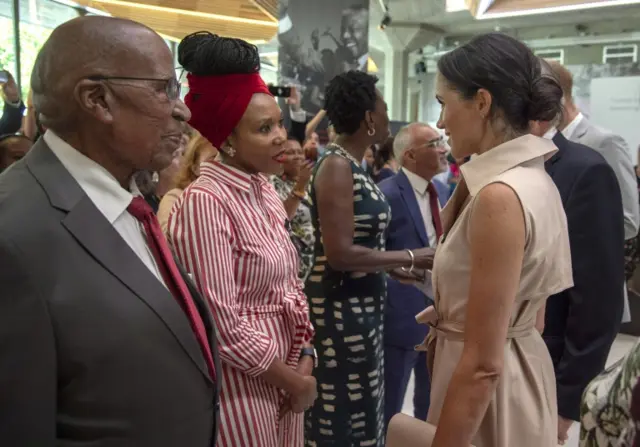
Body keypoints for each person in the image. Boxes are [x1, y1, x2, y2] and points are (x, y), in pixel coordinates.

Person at [0, 16, 220, 446]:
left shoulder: (129, 200)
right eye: (164, 89)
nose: (183, 110)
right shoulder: (14, 235)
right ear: (98, 100)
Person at [415, 33, 573, 447]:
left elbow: (483, 365)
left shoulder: (498, 194)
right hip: (513, 374)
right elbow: (530, 313)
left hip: (487, 397)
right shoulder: (535, 178)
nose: (441, 122)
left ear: (481, 102)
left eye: (443, 103)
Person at [167, 32, 316, 447]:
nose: (281, 137)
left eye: (280, 122)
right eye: (264, 128)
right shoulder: (205, 202)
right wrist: (293, 381)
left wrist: (305, 356)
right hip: (244, 387)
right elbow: (222, 326)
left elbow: (290, 285)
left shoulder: (263, 187)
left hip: (288, 372)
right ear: (227, 140)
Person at [304, 70, 434, 446]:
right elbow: (340, 253)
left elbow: (356, 243)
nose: (387, 116)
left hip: (360, 304)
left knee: (364, 406)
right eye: (384, 108)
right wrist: (411, 254)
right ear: (369, 119)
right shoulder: (336, 166)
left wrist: (394, 267)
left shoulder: (350, 164)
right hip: (340, 311)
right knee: (342, 412)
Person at [530, 92, 626, 444]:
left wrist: (566, 402)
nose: (443, 121)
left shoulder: (584, 170)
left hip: (543, 370)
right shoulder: (487, 168)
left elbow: (597, 301)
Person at [378, 123, 448, 429]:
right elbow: (373, 257)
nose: (444, 148)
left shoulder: (444, 191)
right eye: (434, 143)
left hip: (442, 315)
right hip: (401, 316)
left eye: (442, 141)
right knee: (391, 405)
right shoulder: (386, 195)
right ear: (410, 155)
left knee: (431, 404)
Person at [270, 136, 316, 282]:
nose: (297, 156)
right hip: (293, 263)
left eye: (299, 152)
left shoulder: (313, 181)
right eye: (290, 152)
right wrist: (300, 186)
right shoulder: (271, 183)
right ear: (279, 157)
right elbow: (280, 218)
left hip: (317, 259)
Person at [157, 130, 217, 234]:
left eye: (224, 161)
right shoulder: (176, 196)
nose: (220, 166)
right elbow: (166, 239)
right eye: (212, 159)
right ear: (195, 168)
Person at [0, 71, 24, 135]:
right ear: (4, 91)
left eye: (13, 83)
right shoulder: (8, 115)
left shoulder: (20, 103)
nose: (14, 87)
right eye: (9, 85)